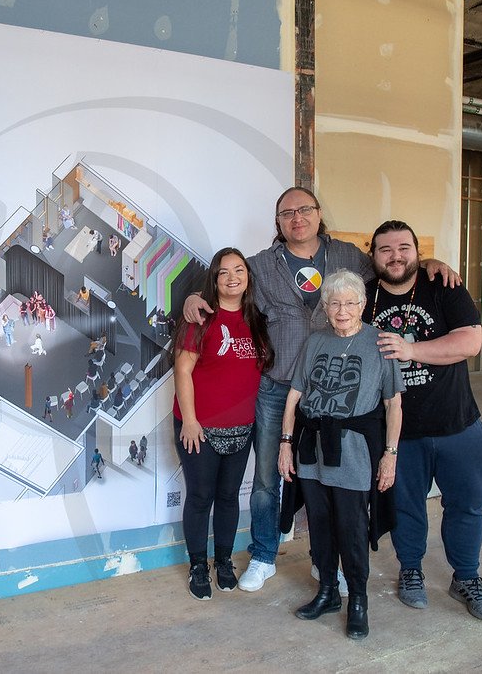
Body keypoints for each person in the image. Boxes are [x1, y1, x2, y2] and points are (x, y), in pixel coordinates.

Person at [183, 186, 459, 592]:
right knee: (265, 479)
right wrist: (194, 296)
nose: (297, 218)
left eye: (305, 209)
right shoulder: (259, 265)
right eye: (287, 212)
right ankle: (263, 554)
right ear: (277, 222)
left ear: (317, 214)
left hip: (332, 396)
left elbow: (393, 268)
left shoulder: (348, 256)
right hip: (278, 391)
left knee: (326, 480)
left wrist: (430, 262)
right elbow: (226, 287)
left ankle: (324, 560)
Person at [362, 219, 482, 621]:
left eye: (404, 247)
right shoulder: (364, 298)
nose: (395, 256)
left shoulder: (444, 286)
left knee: (467, 507)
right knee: (405, 508)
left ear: (417, 252)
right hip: (400, 432)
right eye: (385, 249)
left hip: (459, 424)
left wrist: (410, 349)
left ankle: (467, 578)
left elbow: (470, 342)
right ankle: (411, 571)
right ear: (373, 256)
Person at [277, 270, 403, 640]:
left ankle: (358, 600)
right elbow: (294, 397)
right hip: (312, 449)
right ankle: (328, 591)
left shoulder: (380, 343)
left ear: (363, 305)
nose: (342, 310)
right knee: (319, 523)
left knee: (351, 528)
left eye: (350, 302)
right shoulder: (315, 341)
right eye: (334, 303)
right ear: (326, 308)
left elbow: (393, 406)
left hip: (354, 452)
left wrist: (390, 454)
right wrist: (285, 443)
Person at [173, 247, 274, 601]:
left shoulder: (257, 319)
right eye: (224, 272)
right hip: (199, 427)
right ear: (214, 279)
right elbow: (183, 369)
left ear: (248, 277)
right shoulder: (200, 317)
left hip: (242, 427)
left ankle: (224, 561)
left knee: (229, 497)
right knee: (201, 498)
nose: (233, 278)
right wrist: (189, 421)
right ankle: (198, 565)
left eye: (239, 270)